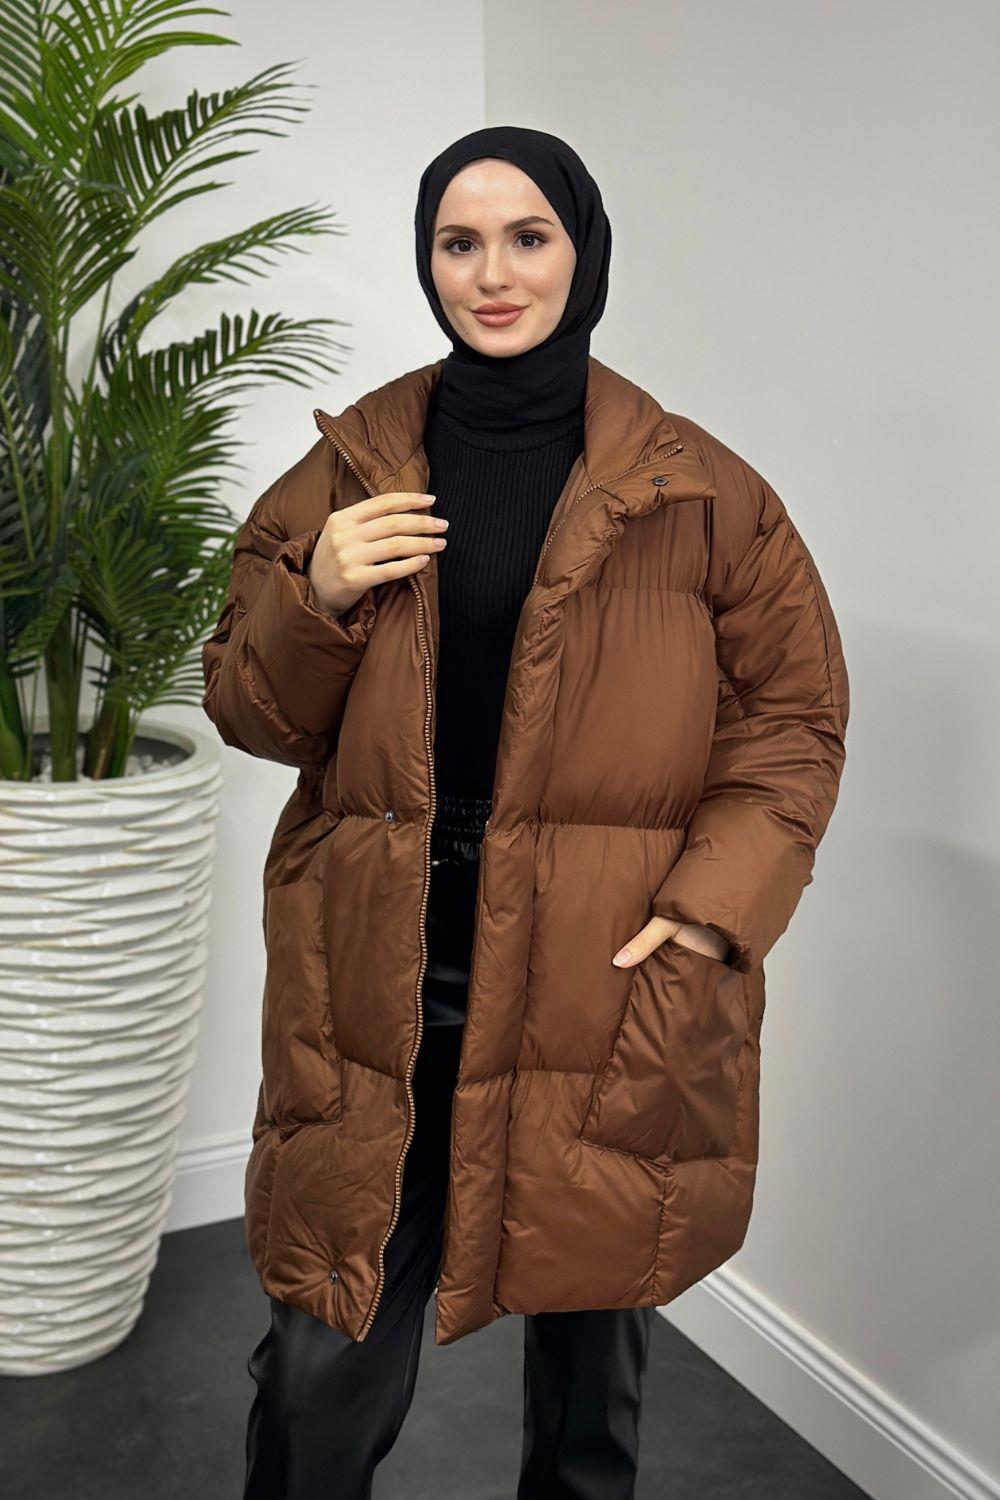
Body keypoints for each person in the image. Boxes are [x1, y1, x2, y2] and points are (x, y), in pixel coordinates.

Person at [201, 124, 849, 1499]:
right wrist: (316, 593)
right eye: (459, 242)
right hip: (382, 962)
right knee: (322, 1359)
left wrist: (710, 914)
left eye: (527, 236)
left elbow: (793, 720)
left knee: (591, 1369)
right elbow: (254, 714)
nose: (493, 274)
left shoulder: (703, 492)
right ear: (426, 261)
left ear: (583, 250)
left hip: (604, 968)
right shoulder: (348, 471)